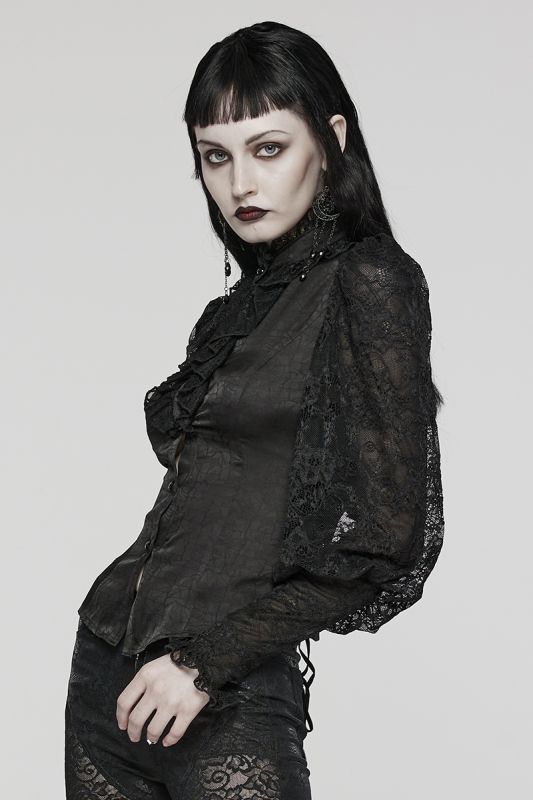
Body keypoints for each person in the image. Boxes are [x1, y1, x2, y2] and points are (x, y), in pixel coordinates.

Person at [64, 20, 445, 800]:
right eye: (216, 156)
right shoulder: (241, 306)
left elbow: (386, 544)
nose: (240, 183)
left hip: (222, 695)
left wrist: (201, 664)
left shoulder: (371, 282)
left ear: (330, 140)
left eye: (267, 149)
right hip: (104, 678)